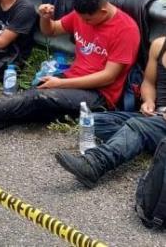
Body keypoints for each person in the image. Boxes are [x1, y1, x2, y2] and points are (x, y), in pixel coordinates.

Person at [0, 0, 141, 143]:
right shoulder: (81, 14)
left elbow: (109, 77)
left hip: (99, 94)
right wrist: (45, 17)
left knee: (37, 97)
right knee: (30, 101)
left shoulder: (126, 30)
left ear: (103, 11)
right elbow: (51, 30)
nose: (83, 23)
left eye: (88, 20)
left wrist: (60, 84)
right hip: (71, 78)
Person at [55, 36, 166, 188]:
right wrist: (148, 101)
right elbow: (148, 83)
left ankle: (95, 164)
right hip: (156, 118)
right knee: (96, 121)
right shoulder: (159, 45)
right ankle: (141, 140)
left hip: (156, 123)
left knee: (138, 126)